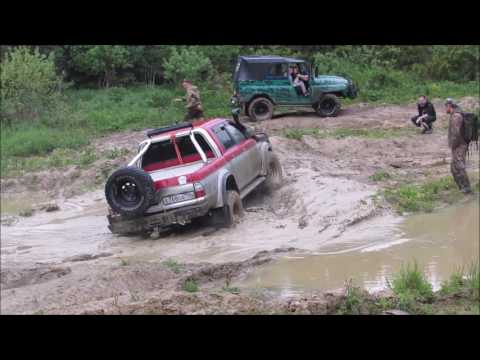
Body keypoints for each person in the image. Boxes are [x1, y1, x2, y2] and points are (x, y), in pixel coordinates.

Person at [446, 98, 472, 194]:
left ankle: (466, 188)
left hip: (460, 145)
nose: (445, 109)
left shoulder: (456, 116)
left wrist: (453, 145)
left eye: (446, 106)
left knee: (459, 166)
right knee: (453, 167)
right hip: (458, 145)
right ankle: (462, 187)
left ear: (449, 106)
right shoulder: (455, 114)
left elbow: (456, 133)